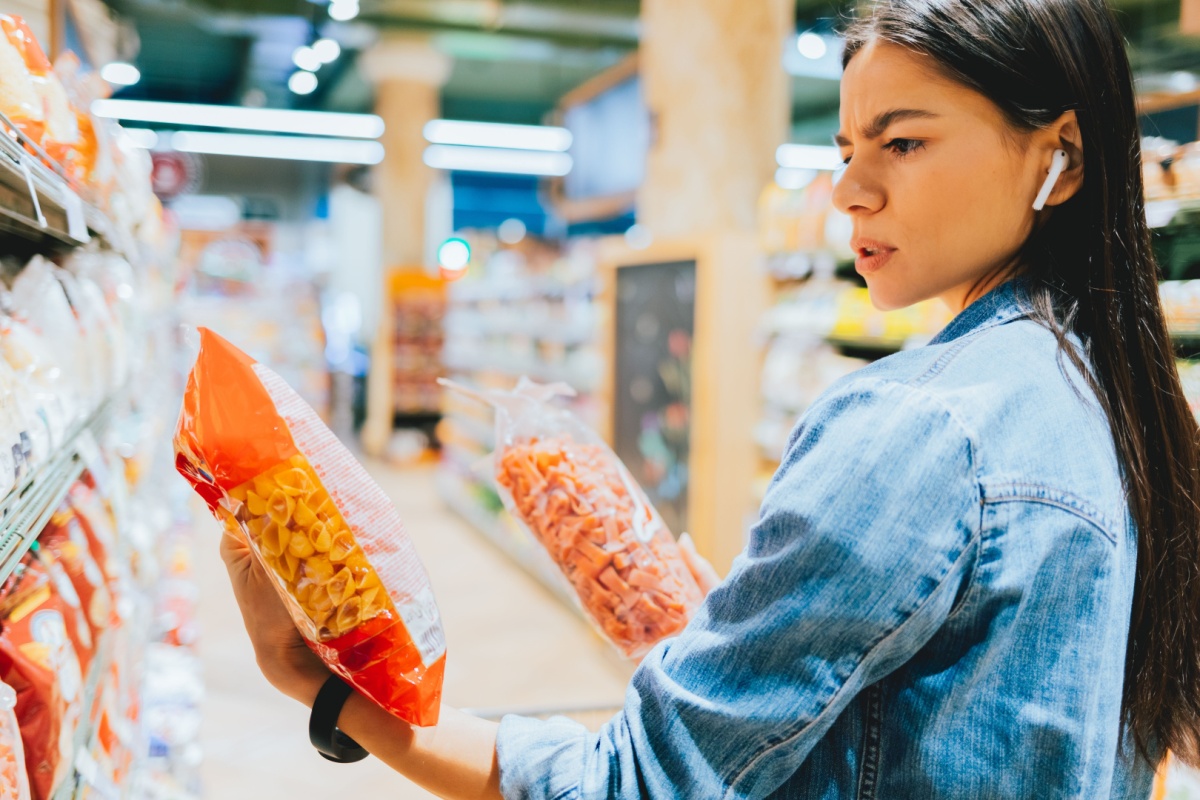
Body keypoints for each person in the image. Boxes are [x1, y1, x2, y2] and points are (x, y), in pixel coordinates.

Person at [220, 0, 1200, 796]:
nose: (849, 189)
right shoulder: (1112, 398)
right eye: (849, 142)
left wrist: (328, 693)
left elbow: (633, 786)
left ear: (1058, 155)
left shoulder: (918, 427)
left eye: (902, 143)